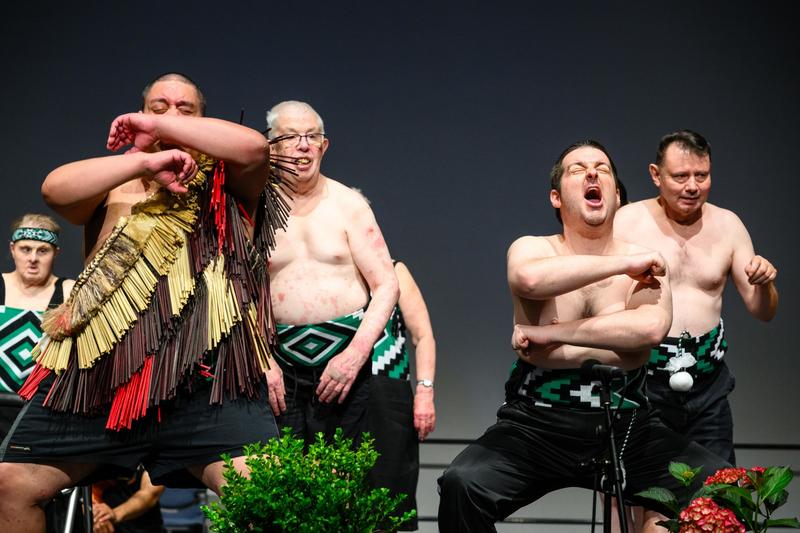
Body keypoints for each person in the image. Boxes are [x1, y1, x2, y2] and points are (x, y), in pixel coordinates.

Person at [0, 73, 285, 533]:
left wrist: (155, 125)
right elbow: (55, 189)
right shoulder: (114, 182)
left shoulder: (229, 180)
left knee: (265, 493)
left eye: (185, 110)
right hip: (98, 377)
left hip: (206, 379)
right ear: (139, 115)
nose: (171, 115)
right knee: (10, 485)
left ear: (203, 120)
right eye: (158, 107)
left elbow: (254, 147)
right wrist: (145, 162)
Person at [437, 140, 729, 533]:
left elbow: (648, 331)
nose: (592, 173)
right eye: (578, 169)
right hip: (537, 425)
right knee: (462, 485)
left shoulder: (648, 261)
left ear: (616, 195)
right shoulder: (535, 249)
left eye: (602, 168)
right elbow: (529, 279)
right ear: (556, 197)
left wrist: (550, 336)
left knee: (721, 488)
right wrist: (622, 269)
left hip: (627, 427)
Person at [615, 130, 778, 465]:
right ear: (655, 175)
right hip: (643, 381)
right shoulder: (627, 222)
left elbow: (763, 311)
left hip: (708, 385)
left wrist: (765, 283)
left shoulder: (728, 225)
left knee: (719, 490)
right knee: (644, 491)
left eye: (701, 176)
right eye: (680, 176)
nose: (692, 186)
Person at [266, 100, 399, 446]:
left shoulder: (349, 205)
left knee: (342, 469)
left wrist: (355, 355)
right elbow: (235, 295)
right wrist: (261, 361)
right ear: (271, 147)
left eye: (312, 136)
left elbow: (386, 285)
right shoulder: (253, 209)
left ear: (324, 146)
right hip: (278, 364)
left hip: (344, 363)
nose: (303, 145)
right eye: (291, 136)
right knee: (280, 470)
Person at [368, 259, 436, 531]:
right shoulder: (326, 271)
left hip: (387, 393)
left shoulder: (393, 269)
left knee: (389, 497)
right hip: (335, 392)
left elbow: (423, 335)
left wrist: (425, 392)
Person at [0, 214, 75, 438]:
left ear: (56, 253)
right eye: (25, 249)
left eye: (43, 250)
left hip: (41, 415)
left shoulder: (69, 292)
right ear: (12, 249)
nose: (33, 258)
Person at [92, 467, 165, 533]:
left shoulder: (149, 465)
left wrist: (114, 514)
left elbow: (149, 495)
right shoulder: (97, 469)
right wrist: (97, 518)